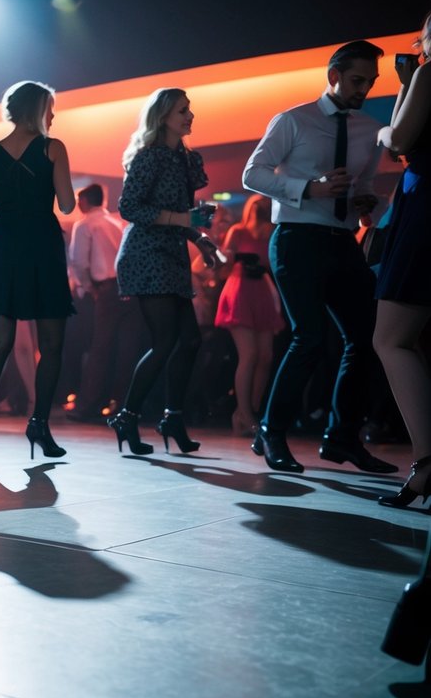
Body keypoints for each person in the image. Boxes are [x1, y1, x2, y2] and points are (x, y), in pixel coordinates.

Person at [243, 40, 397, 475]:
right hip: (296, 239)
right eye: (356, 80)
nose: (363, 88)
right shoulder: (294, 120)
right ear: (333, 76)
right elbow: (251, 174)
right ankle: (271, 432)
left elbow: (363, 187)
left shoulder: (369, 129)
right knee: (308, 337)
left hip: (342, 239)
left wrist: (366, 203)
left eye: (369, 82)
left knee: (367, 336)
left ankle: (342, 438)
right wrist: (309, 188)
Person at [0, 81, 76, 466]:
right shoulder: (53, 147)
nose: (54, 116)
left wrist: (2, 221)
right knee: (53, 345)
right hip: (42, 245)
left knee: (0, 344)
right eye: (51, 109)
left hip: (4, 247)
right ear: (38, 110)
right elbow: (68, 203)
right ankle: (39, 423)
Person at [108, 87, 221, 456]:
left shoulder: (185, 159)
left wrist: (200, 238)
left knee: (190, 341)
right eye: (181, 112)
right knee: (166, 341)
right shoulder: (150, 157)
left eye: (190, 110)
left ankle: (172, 417)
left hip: (171, 253)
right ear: (162, 118)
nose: (190, 116)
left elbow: (181, 216)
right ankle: (127, 416)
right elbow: (129, 207)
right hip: (145, 253)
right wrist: (183, 220)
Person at [375, 13, 431, 509]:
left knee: (391, 337)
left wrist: (409, 82)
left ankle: (428, 462)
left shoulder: (430, 74)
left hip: (427, 204)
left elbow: (399, 138)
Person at [213, 194, 284, 437]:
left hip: (261, 291)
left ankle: (250, 411)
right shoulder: (238, 230)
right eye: (257, 204)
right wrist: (229, 255)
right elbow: (224, 258)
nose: (261, 207)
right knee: (250, 354)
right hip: (240, 289)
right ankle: (244, 413)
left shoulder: (271, 232)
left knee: (265, 356)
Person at [67, 183, 131, 424]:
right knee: (125, 348)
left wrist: (89, 288)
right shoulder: (118, 223)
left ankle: (87, 406)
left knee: (99, 348)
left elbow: (79, 262)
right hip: (127, 288)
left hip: (104, 289)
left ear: (84, 202)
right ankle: (121, 403)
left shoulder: (84, 225)